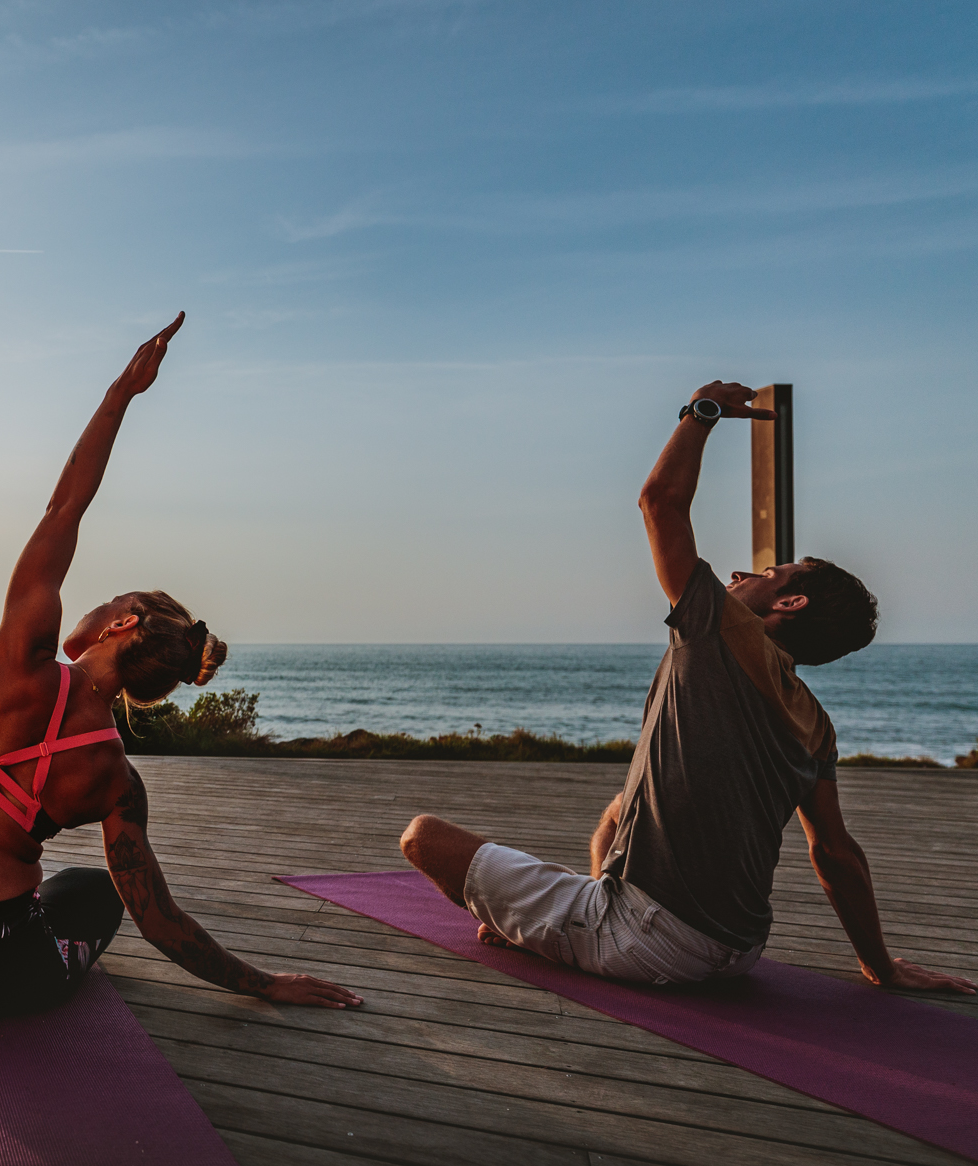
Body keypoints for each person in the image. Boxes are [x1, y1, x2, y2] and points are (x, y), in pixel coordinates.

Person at [0, 315, 363, 1017]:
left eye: (110, 596)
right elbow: (160, 918)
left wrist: (121, 393)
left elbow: (65, 505)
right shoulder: (117, 779)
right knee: (101, 889)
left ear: (122, 622)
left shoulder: (17, 662)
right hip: (11, 983)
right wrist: (263, 983)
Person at [400, 381, 975, 995]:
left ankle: (570, 928)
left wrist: (701, 412)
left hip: (652, 946)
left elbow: (659, 503)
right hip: (738, 948)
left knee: (422, 836)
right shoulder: (815, 722)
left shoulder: (724, 630)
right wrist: (880, 966)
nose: (739, 574)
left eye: (767, 572)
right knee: (618, 811)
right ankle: (586, 915)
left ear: (791, 601)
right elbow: (834, 852)